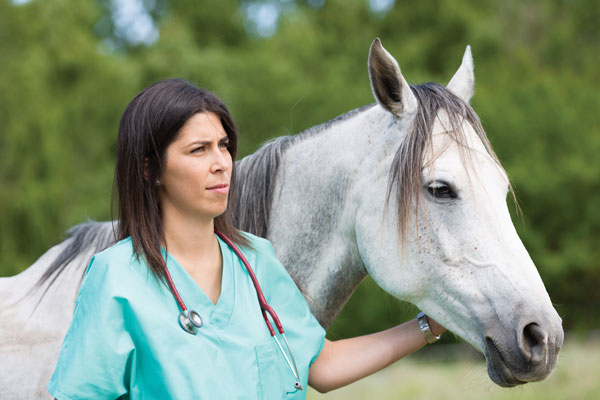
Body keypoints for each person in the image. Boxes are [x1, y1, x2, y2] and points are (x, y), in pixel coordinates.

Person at [47, 79, 445, 399]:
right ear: (151, 170)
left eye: (224, 146)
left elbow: (320, 366)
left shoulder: (256, 261)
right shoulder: (116, 278)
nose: (222, 163)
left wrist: (429, 325)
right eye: (199, 150)